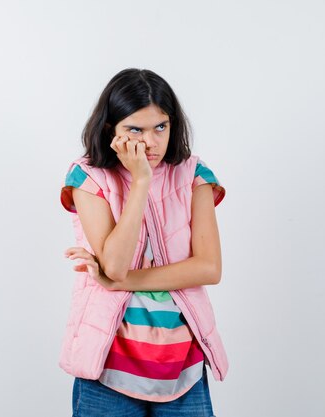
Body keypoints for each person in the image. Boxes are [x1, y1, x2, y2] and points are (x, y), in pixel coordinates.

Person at [60, 68, 228, 417]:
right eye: (135, 129)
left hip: (182, 368)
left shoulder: (194, 174)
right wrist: (140, 182)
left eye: (160, 127)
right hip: (107, 369)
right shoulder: (89, 177)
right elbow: (116, 265)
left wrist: (116, 280)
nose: (150, 142)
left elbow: (209, 268)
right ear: (111, 130)